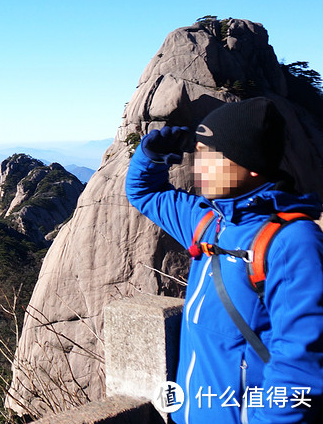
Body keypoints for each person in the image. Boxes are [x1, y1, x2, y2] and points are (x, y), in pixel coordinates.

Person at [125, 97, 323, 424]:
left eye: (211, 155)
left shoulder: (291, 243)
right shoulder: (209, 221)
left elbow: (300, 367)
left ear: (251, 163)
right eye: (198, 153)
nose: (198, 166)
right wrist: (151, 158)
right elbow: (144, 194)